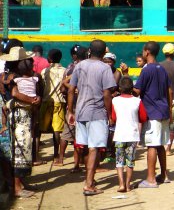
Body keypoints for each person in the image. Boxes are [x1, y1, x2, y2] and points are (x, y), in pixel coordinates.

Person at [67, 40, 116, 196]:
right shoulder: (105, 68)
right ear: (103, 53)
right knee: (95, 147)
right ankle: (89, 184)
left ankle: (90, 179)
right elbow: (107, 94)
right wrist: (109, 114)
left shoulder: (79, 66)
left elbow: (71, 90)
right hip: (97, 112)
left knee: (87, 146)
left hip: (80, 110)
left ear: (89, 51)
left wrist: (70, 111)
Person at [1, 47, 40, 198]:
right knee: (20, 149)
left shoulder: (11, 75)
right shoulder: (12, 77)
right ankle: (17, 187)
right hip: (19, 116)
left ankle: (19, 183)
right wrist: (32, 100)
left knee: (20, 149)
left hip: (18, 115)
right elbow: (15, 94)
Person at [133, 41, 172, 188]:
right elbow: (170, 91)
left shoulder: (146, 70)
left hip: (152, 112)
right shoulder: (161, 68)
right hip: (163, 111)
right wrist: (169, 110)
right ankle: (163, 175)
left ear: (147, 52)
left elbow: (136, 91)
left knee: (151, 146)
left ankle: (151, 179)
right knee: (160, 145)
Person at [111, 76, 147, 193]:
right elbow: (143, 117)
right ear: (132, 88)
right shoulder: (137, 101)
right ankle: (128, 184)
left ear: (120, 88)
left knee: (119, 160)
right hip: (132, 135)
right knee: (130, 161)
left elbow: (113, 117)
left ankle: (121, 184)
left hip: (119, 135)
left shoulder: (115, 100)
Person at [40, 49, 66, 165]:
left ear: (49, 58)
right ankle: (56, 156)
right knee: (57, 129)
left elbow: (42, 85)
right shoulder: (64, 71)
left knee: (39, 129)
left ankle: (35, 155)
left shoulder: (45, 71)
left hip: (46, 100)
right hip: (59, 101)